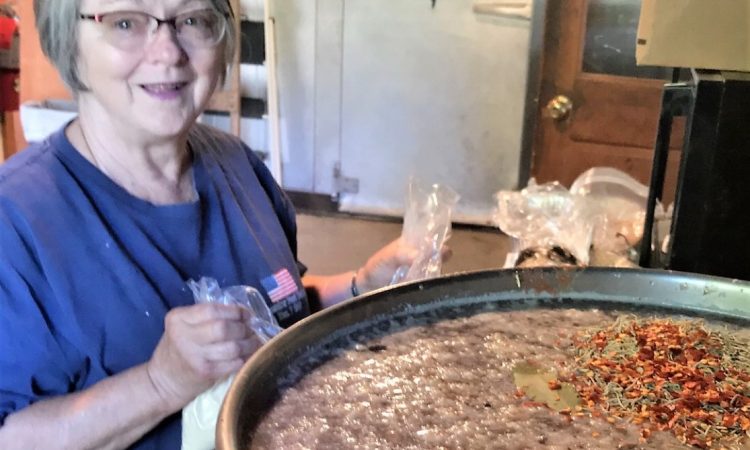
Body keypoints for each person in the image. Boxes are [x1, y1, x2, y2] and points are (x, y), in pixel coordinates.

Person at [0, 0, 433, 448]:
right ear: (66, 38)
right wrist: (161, 384)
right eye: (126, 22)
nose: (168, 52)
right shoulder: (15, 224)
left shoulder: (236, 163)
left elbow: (276, 304)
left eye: (193, 20)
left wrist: (361, 287)